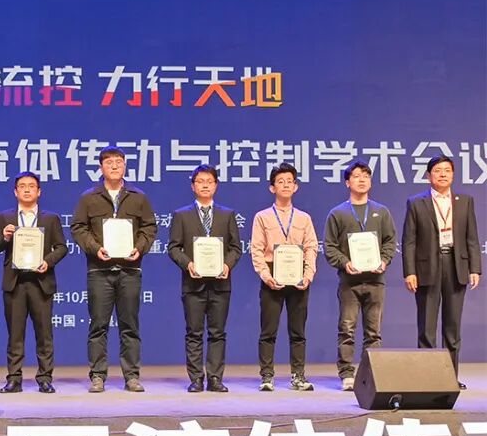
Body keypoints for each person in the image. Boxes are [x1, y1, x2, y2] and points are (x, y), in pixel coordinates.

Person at [70, 146, 157, 393]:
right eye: (109, 162)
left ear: (125, 166)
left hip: (130, 270)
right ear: (101, 168)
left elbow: (149, 227)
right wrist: (94, 248)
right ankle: (98, 376)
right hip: (99, 271)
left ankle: (132, 376)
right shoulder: (89, 197)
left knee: (130, 325)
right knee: (98, 325)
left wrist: (140, 248)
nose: (115, 166)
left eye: (119, 162)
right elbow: (78, 228)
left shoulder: (138, 197)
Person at [402, 155, 481, 389]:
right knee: (427, 327)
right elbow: (409, 241)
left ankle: (449, 378)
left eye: (447, 170)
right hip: (427, 268)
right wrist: (409, 271)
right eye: (437, 170)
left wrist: (475, 268)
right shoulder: (416, 202)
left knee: (452, 328)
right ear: (429, 176)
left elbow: (472, 238)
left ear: (453, 175)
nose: (443, 174)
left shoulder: (465, 201)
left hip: (456, 266)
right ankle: (427, 379)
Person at [0, 172, 68, 394]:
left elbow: (62, 247)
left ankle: (45, 378)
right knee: (15, 334)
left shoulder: (50, 218)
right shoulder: (5, 217)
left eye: (31, 186)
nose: (26, 189)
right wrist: (5, 237)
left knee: (44, 334)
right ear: (15, 192)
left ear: (39, 191)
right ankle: (14, 379)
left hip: (41, 282)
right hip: (15, 282)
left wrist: (47, 261)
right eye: (22, 186)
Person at [167, 165, 242, 393]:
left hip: (221, 283)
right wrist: (188, 264)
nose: (205, 185)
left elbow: (235, 248)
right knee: (194, 332)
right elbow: (173, 247)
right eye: (200, 181)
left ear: (216, 185)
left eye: (209, 181)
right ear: (193, 186)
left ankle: (215, 378)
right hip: (193, 284)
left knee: (217, 333)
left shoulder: (227, 215)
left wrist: (227, 265)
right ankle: (196, 378)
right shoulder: (182, 215)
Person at [323, 162, 397, 391]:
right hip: (349, 282)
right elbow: (329, 247)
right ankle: (347, 373)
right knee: (347, 329)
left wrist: (384, 260)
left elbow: (390, 241)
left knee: (374, 333)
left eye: (366, 176)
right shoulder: (338, 213)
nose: (362, 179)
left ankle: (370, 375)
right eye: (356, 176)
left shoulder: (381, 211)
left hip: (376, 281)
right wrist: (345, 263)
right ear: (348, 182)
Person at [250, 163, 318, 392]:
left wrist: (308, 275)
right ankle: (266, 376)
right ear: (272, 188)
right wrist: (266, 275)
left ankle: (298, 376)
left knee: (298, 332)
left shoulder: (304, 218)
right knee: (268, 331)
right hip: (272, 276)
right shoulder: (262, 217)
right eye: (281, 181)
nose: (286, 185)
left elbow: (311, 247)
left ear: (296, 187)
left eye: (290, 181)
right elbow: (256, 249)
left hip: (298, 277)